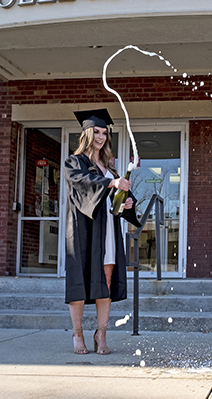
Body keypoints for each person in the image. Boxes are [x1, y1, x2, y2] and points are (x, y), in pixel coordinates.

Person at [63, 109, 141, 355]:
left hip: (107, 229)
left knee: (105, 282)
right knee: (79, 282)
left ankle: (101, 333)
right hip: (83, 230)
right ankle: (77, 335)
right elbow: (82, 183)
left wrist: (127, 203)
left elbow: (120, 198)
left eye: (104, 133)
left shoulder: (110, 167)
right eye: (96, 132)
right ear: (87, 133)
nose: (101, 137)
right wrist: (110, 183)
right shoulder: (74, 162)